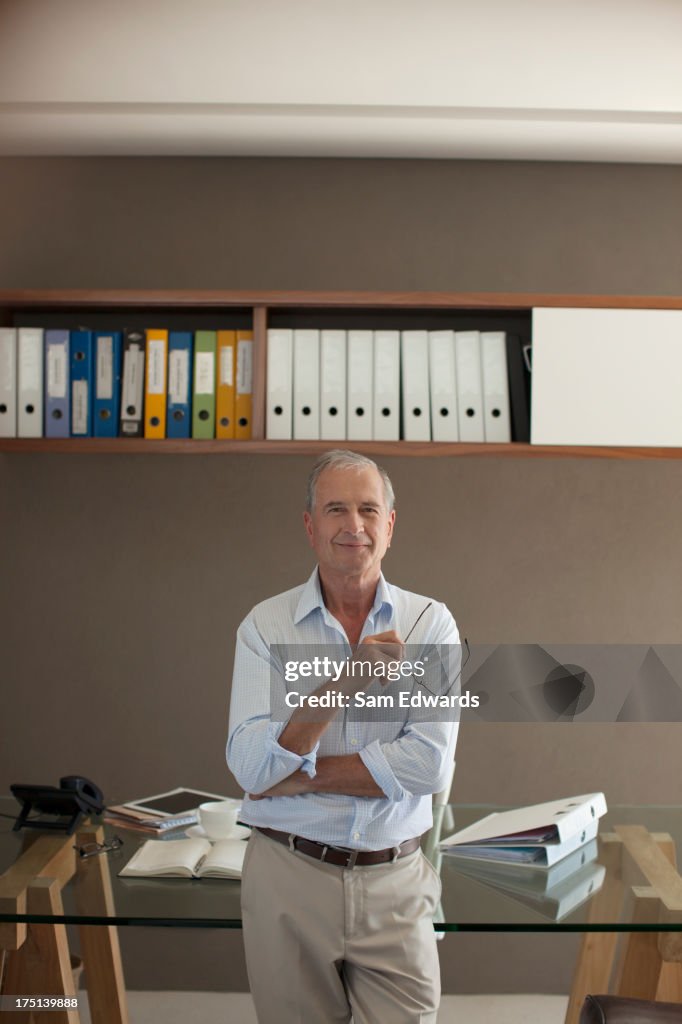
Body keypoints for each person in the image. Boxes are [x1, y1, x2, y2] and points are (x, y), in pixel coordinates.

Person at [227, 449, 460, 1024]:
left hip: (396, 882)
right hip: (287, 877)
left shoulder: (431, 623)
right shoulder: (264, 627)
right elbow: (251, 768)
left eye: (367, 510)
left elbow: (427, 765)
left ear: (389, 525)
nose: (353, 525)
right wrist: (346, 677)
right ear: (310, 525)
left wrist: (295, 777)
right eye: (335, 509)